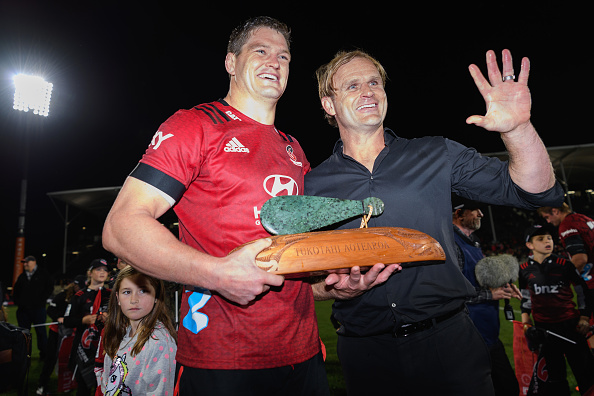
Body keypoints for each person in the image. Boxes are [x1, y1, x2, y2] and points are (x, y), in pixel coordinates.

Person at [305, 49, 564, 395]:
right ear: (329, 104)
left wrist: (518, 129)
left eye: (374, 82)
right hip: (366, 354)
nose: (368, 91)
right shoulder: (312, 184)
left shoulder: (435, 153)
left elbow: (536, 193)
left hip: (449, 345)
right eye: (352, 86)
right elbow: (300, 281)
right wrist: (332, 289)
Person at [102, 16, 330, 395]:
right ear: (230, 63)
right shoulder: (196, 125)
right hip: (224, 360)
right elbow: (121, 226)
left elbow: (292, 264)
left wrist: (332, 285)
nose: (275, 62)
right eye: (261, 51)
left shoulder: (294, 148)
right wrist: (217, 274)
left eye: (284, 57)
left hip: (304, 354)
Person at [452, 195, 520, 396]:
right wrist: (491, 295)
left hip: (488, 333)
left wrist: (503, 286)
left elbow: (476, 280)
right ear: (459, 214)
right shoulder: (452, 244)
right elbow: (453, 295)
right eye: (475, 210)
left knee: (507, 387)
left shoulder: (473, 241)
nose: (481, 213)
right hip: (472, 336)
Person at [520, 225, 594, 395]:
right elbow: (525, 298)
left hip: (571, 327)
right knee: (554, 378)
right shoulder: (523, 269)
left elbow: (583, 292)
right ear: (529, 245)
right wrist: (526, 322)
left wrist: (584, 318)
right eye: (540, 239)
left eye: (549, 238)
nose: (547, 241)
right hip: (544, 331)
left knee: (587, 374)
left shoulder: (565, 265)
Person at [100, 266, 177, 395]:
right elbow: (107, 384)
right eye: (127, 292)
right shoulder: (118, 334)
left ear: (156, 297)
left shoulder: (159, 341)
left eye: (143, 291)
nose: (133, 300)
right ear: (118, 298)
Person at [63, 259, 111, 396]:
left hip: (105, 347)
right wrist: (82, 320)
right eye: (98, 269)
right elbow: (67, 320)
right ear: (90, 273)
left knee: (104, 385)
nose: (102, 272)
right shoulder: (79, 296)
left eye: (105, 270)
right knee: (83, 386)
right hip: (83, 348)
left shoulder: (111, 294)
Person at [36, 275, 86, 395]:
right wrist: (58, 317)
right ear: (74, 285)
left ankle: (66, 383)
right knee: (51, 358)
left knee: (69, 358)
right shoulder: (62, 295)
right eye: (79, 287)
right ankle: (42, 386)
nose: (80, 289)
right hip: (56, 332)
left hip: (72, 333)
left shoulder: (83, 297)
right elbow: (50, 310)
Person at [537, 203, 594, 287]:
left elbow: (580, 259)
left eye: (547, 217)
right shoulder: (584, 219)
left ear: (555, 211)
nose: (548, 221)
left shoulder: (567, 225)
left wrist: (561, 281)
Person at [13, 255, 54, 359]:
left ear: (33, 262)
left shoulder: (43, 273)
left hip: (38, 309)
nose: (25, 264)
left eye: (26, 262)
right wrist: (18, 302)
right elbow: (16, 291)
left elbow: (50, 287)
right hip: (23, 310)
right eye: (24, 263)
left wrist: (41, 299)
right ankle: (24, 354)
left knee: (41, 332)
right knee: (23, 333)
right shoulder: (22, 276)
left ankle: (44, 354)